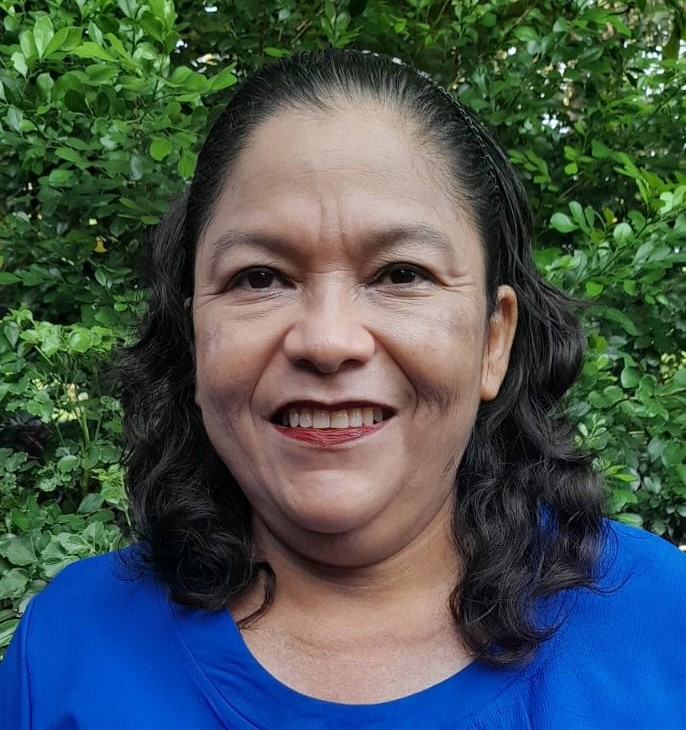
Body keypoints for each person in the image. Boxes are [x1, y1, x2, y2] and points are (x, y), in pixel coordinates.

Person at [1, 49, 684, 729]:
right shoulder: (67, 652)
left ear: (493, 340)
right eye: (259, 278)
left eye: (401, 274)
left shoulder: (662, 624)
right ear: (196, 339)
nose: (327, 341)